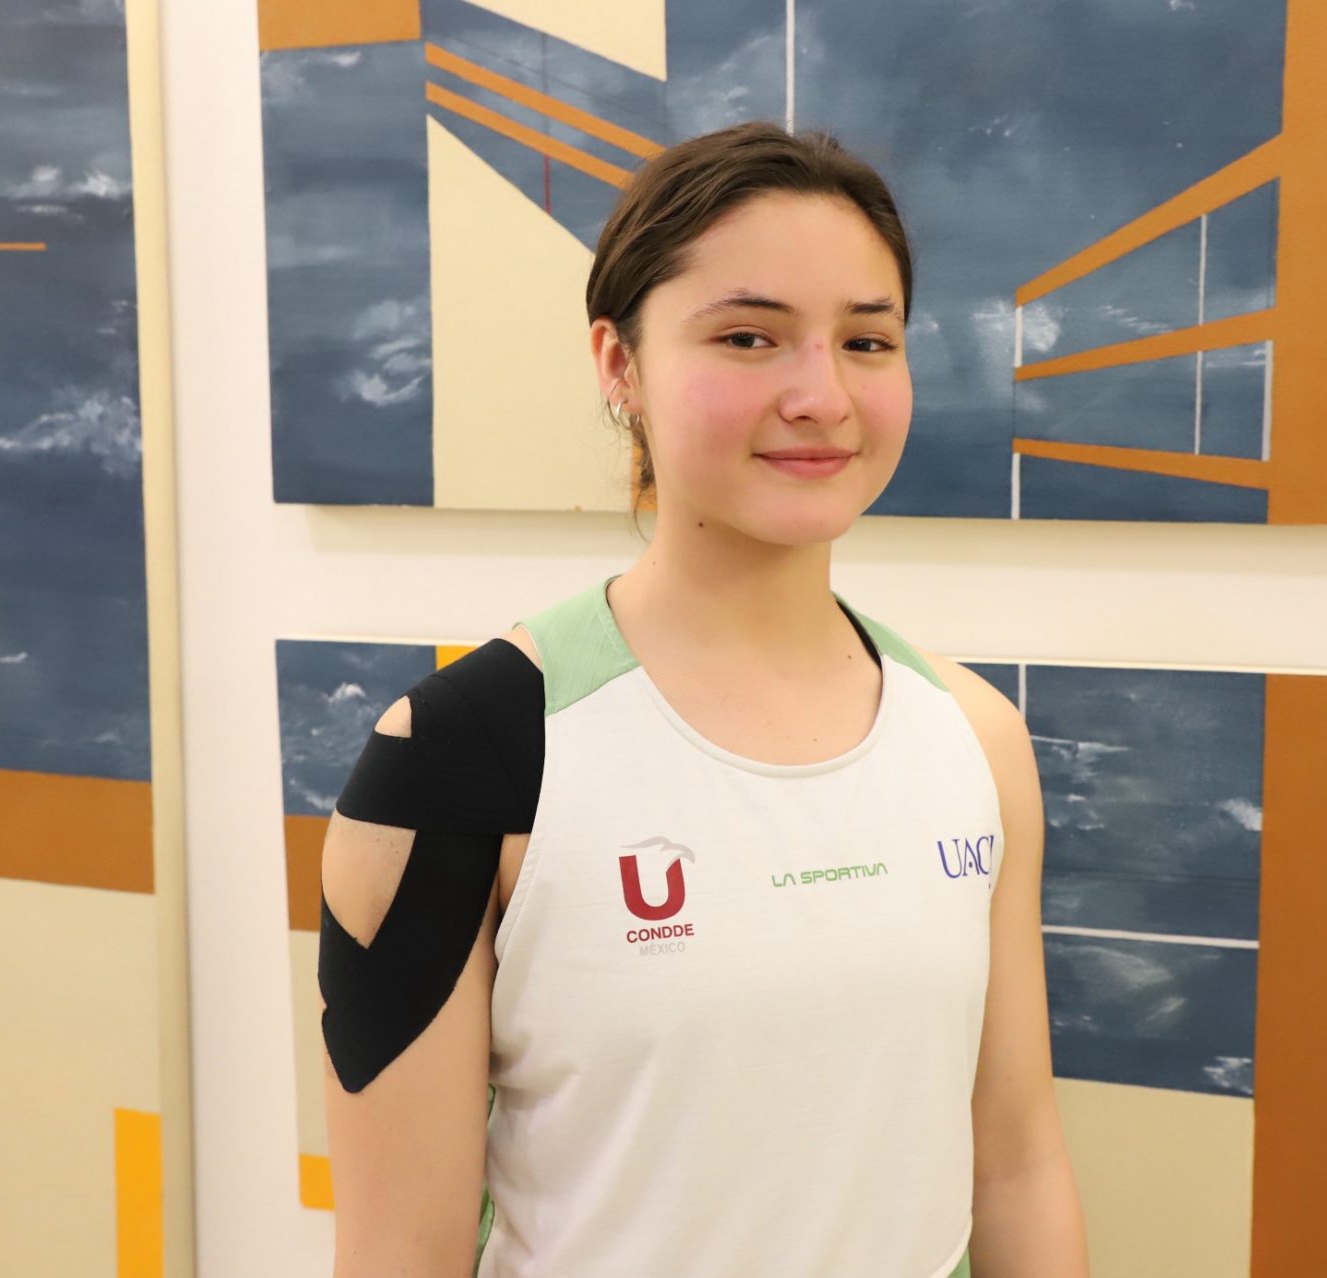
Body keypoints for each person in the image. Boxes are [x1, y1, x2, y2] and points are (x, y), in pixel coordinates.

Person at [317, 119, 1087, 1277]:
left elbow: (1015, 1165)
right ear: (619, 365)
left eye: (867, 342)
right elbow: (396, 1252)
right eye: (747, 337)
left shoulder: (975, 739)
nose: (822, 395)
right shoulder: (464, 754)